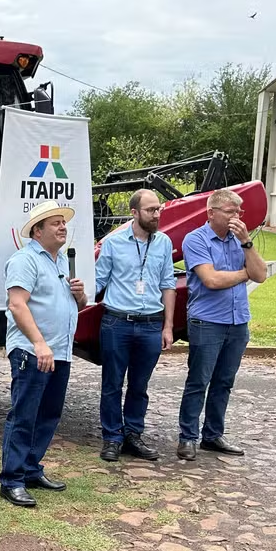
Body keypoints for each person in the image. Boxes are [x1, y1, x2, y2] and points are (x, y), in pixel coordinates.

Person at [0, 200, 87, 508]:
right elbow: (17, 305)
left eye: (63, 222)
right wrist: (38, 343)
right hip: (33, 351)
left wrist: (81, 296)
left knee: (49, 414)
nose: (63, 227)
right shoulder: (25, 260)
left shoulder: (61, 261)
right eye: (55, 223)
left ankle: (31, 469)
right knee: (24, 415)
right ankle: (12, 479)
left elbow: (76, 307)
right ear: (37, 231)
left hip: (59, 351)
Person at [175, 189, 267, 460]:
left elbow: (260, 274)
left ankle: (213, 435)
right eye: (230, 211)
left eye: (239, 212)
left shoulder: (241, 241)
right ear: (211, 213)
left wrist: (247, 243)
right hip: (207, 321)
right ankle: (188, 437)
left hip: (238, 321)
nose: (236, 217)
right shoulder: (196, 240)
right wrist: (244, 274)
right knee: (198, 381)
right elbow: (212, 281)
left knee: (224, 382)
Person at [94, 189, 176, 462]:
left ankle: (133, 435)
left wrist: (168, 326)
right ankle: (112, 438)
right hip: (117, 322)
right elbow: (98, 282)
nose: (157, 214)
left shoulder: (163, 242)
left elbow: (168, 284)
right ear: (134, 212)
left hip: (151, 324)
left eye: (158, 209)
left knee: (140, 385)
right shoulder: (114, 242)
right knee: (112, 383)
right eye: (151, 210)